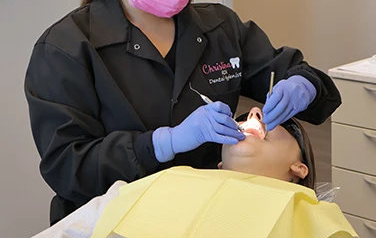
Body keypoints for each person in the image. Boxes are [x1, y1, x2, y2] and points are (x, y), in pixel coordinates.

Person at [24, 0, 341, 225]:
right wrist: (164, 143)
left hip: (210, 218)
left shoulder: (220, 28)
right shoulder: (66, 49)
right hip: (117, 225)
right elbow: (69, 167)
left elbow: (309, 81)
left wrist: (304, 84)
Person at [31, 109, 357, 238]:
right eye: (242, 118)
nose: (255, 114)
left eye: (277, 120)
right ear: (220, 165)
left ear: (299, 168)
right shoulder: (160, 182)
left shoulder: (313, 214)